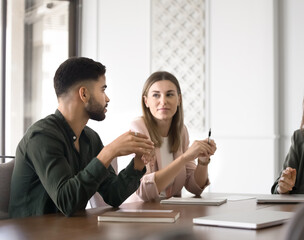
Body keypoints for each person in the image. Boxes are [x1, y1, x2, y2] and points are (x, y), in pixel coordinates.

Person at [9, 57, 154, 218]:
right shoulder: (41, 136)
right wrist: (109, 152)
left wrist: (137, 164)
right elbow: (67, 202)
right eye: (102, 90)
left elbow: (113, 195)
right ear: (84, 93)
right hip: (32, 232)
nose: (107, 98)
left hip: (68, 231)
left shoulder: (90, 138)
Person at [125, 71, 217, 202]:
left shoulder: (181, 132)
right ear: (146, 101)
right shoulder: (138, 129)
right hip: (141, 213)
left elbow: (194, 187)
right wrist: (185, 158)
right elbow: (143, 190)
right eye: (156, 95)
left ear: (179, 99)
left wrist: (203, 161)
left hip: (171, 212)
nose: (163, 101)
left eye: (169, 94)